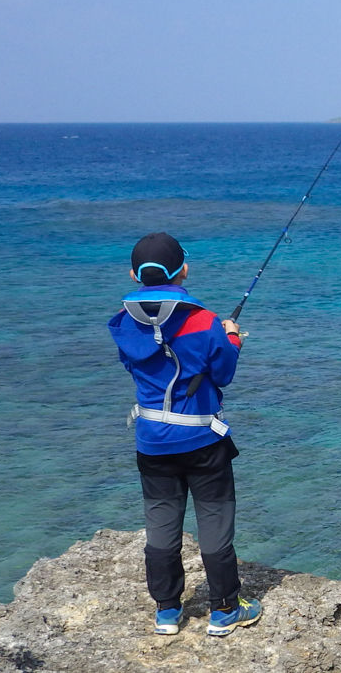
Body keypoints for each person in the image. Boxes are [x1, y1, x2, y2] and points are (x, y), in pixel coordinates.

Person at [108, 232, 262, 636]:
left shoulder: (123, 323)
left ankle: (167, 610)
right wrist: (231, 337)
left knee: (160, 526)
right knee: (214, 524)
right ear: (184, 270)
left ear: (133, 275)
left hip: (152, 440)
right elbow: (223, 374)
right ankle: (225, 609)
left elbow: (135, 364)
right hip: (203, 443)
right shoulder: (206, 321)